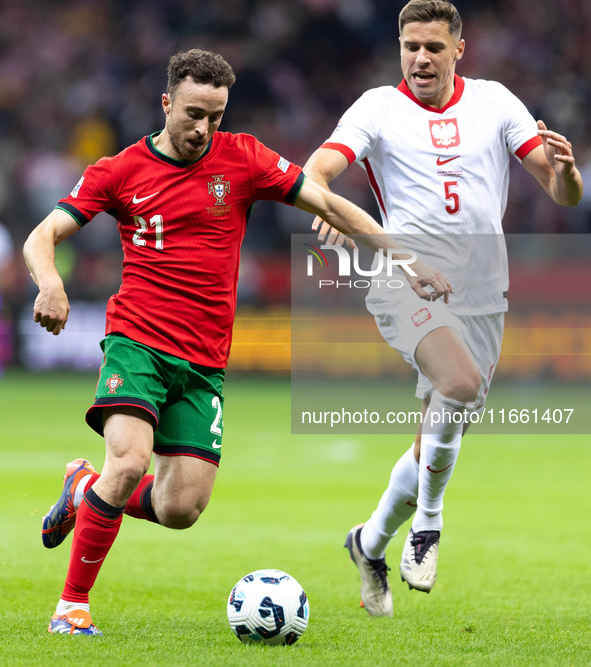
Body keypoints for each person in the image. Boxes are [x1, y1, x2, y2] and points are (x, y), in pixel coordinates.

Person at [24, 48, 450, 636]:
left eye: (216, 116)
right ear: (167, 102)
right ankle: (72, 607)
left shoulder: (243, 158)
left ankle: (82, 490)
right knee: (127, 462)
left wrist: (405, 258)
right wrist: (50, 283)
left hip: (204, 360)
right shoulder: (118, 170)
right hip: (137, 341)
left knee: (181, 509)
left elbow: (326, 201)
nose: (203, 128)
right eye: (194, 113)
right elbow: (43, 235)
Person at [303, 0, 583, 617]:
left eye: (433, 46)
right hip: (405, 274)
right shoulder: (378, 107)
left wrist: (569, 174)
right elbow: (316, 170)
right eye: (411, 46)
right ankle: (429, 524)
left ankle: (368, 544)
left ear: (460, 48)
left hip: (483, 287)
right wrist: (327, 208)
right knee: (458, 383)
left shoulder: (496, 102)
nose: (421, 58)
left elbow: (559, 191)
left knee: (436, 431)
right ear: (400, 48)